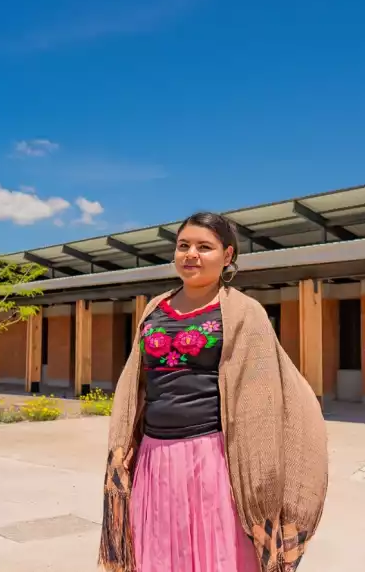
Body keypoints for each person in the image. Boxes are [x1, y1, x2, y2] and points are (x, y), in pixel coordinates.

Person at [99, 212, 329, 572]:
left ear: (227, 255)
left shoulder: (245, 313)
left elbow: (270, 389)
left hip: (213, 459)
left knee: (217, 555)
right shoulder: (154, 308)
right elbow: (136, 382)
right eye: (183, 246)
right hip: (155, 458)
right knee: (158, 553)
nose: (191, 254)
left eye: (204, 247)